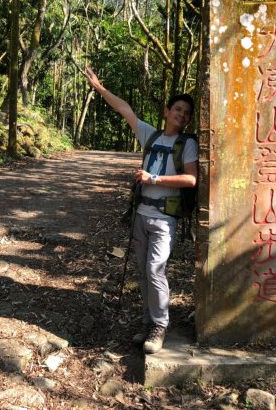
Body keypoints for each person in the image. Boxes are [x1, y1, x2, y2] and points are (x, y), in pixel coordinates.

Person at [84, 66, 198, 354]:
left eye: (186, 113)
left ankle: (160, 325)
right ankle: (148, 323)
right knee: (144, 272)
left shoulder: (188, 144)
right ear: (167, 110)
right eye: (178, 109)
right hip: (141, 215)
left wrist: (154, 179)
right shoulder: (151, 135)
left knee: (155, 270)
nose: (181, 115)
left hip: (164, 218)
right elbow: (125, 109)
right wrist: (99, 89)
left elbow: (191, 179)